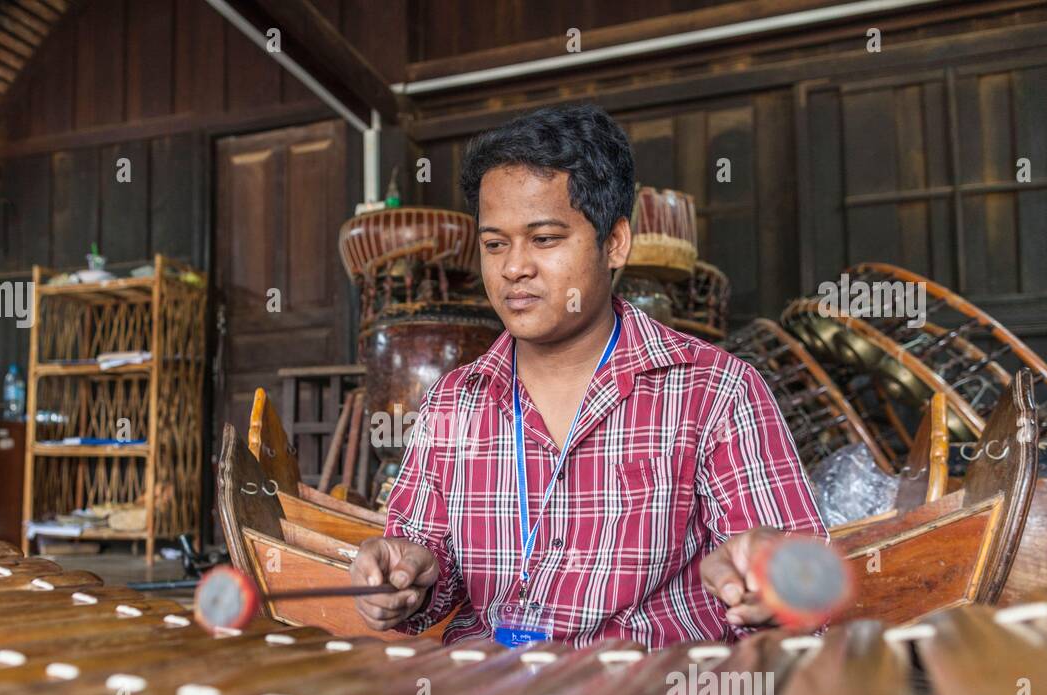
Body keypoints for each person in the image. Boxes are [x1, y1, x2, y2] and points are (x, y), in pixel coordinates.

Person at [351, 103, 827, 647]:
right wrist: (405, 575)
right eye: (494, 244)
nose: (513, 268)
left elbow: (806, 598)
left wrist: (770, 583)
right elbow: (423, 578)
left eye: (546, 239)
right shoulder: (453, 403)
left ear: (615, 242)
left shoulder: (714, 390)